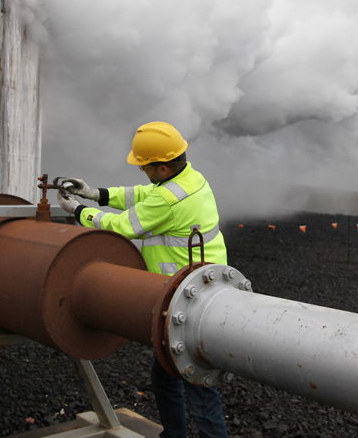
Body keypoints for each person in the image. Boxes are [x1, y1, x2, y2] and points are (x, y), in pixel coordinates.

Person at [57, 121, 229, 438]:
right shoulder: (190, 179)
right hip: (201, 287)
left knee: (197, 384)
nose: (142, 173)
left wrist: (80, 211)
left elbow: (124, 226)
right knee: (167, 373)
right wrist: (96, 194)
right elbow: (142, 195)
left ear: (162, 168)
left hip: (188, 299)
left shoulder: (168, 200)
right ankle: (173, 435)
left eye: (144, 167)